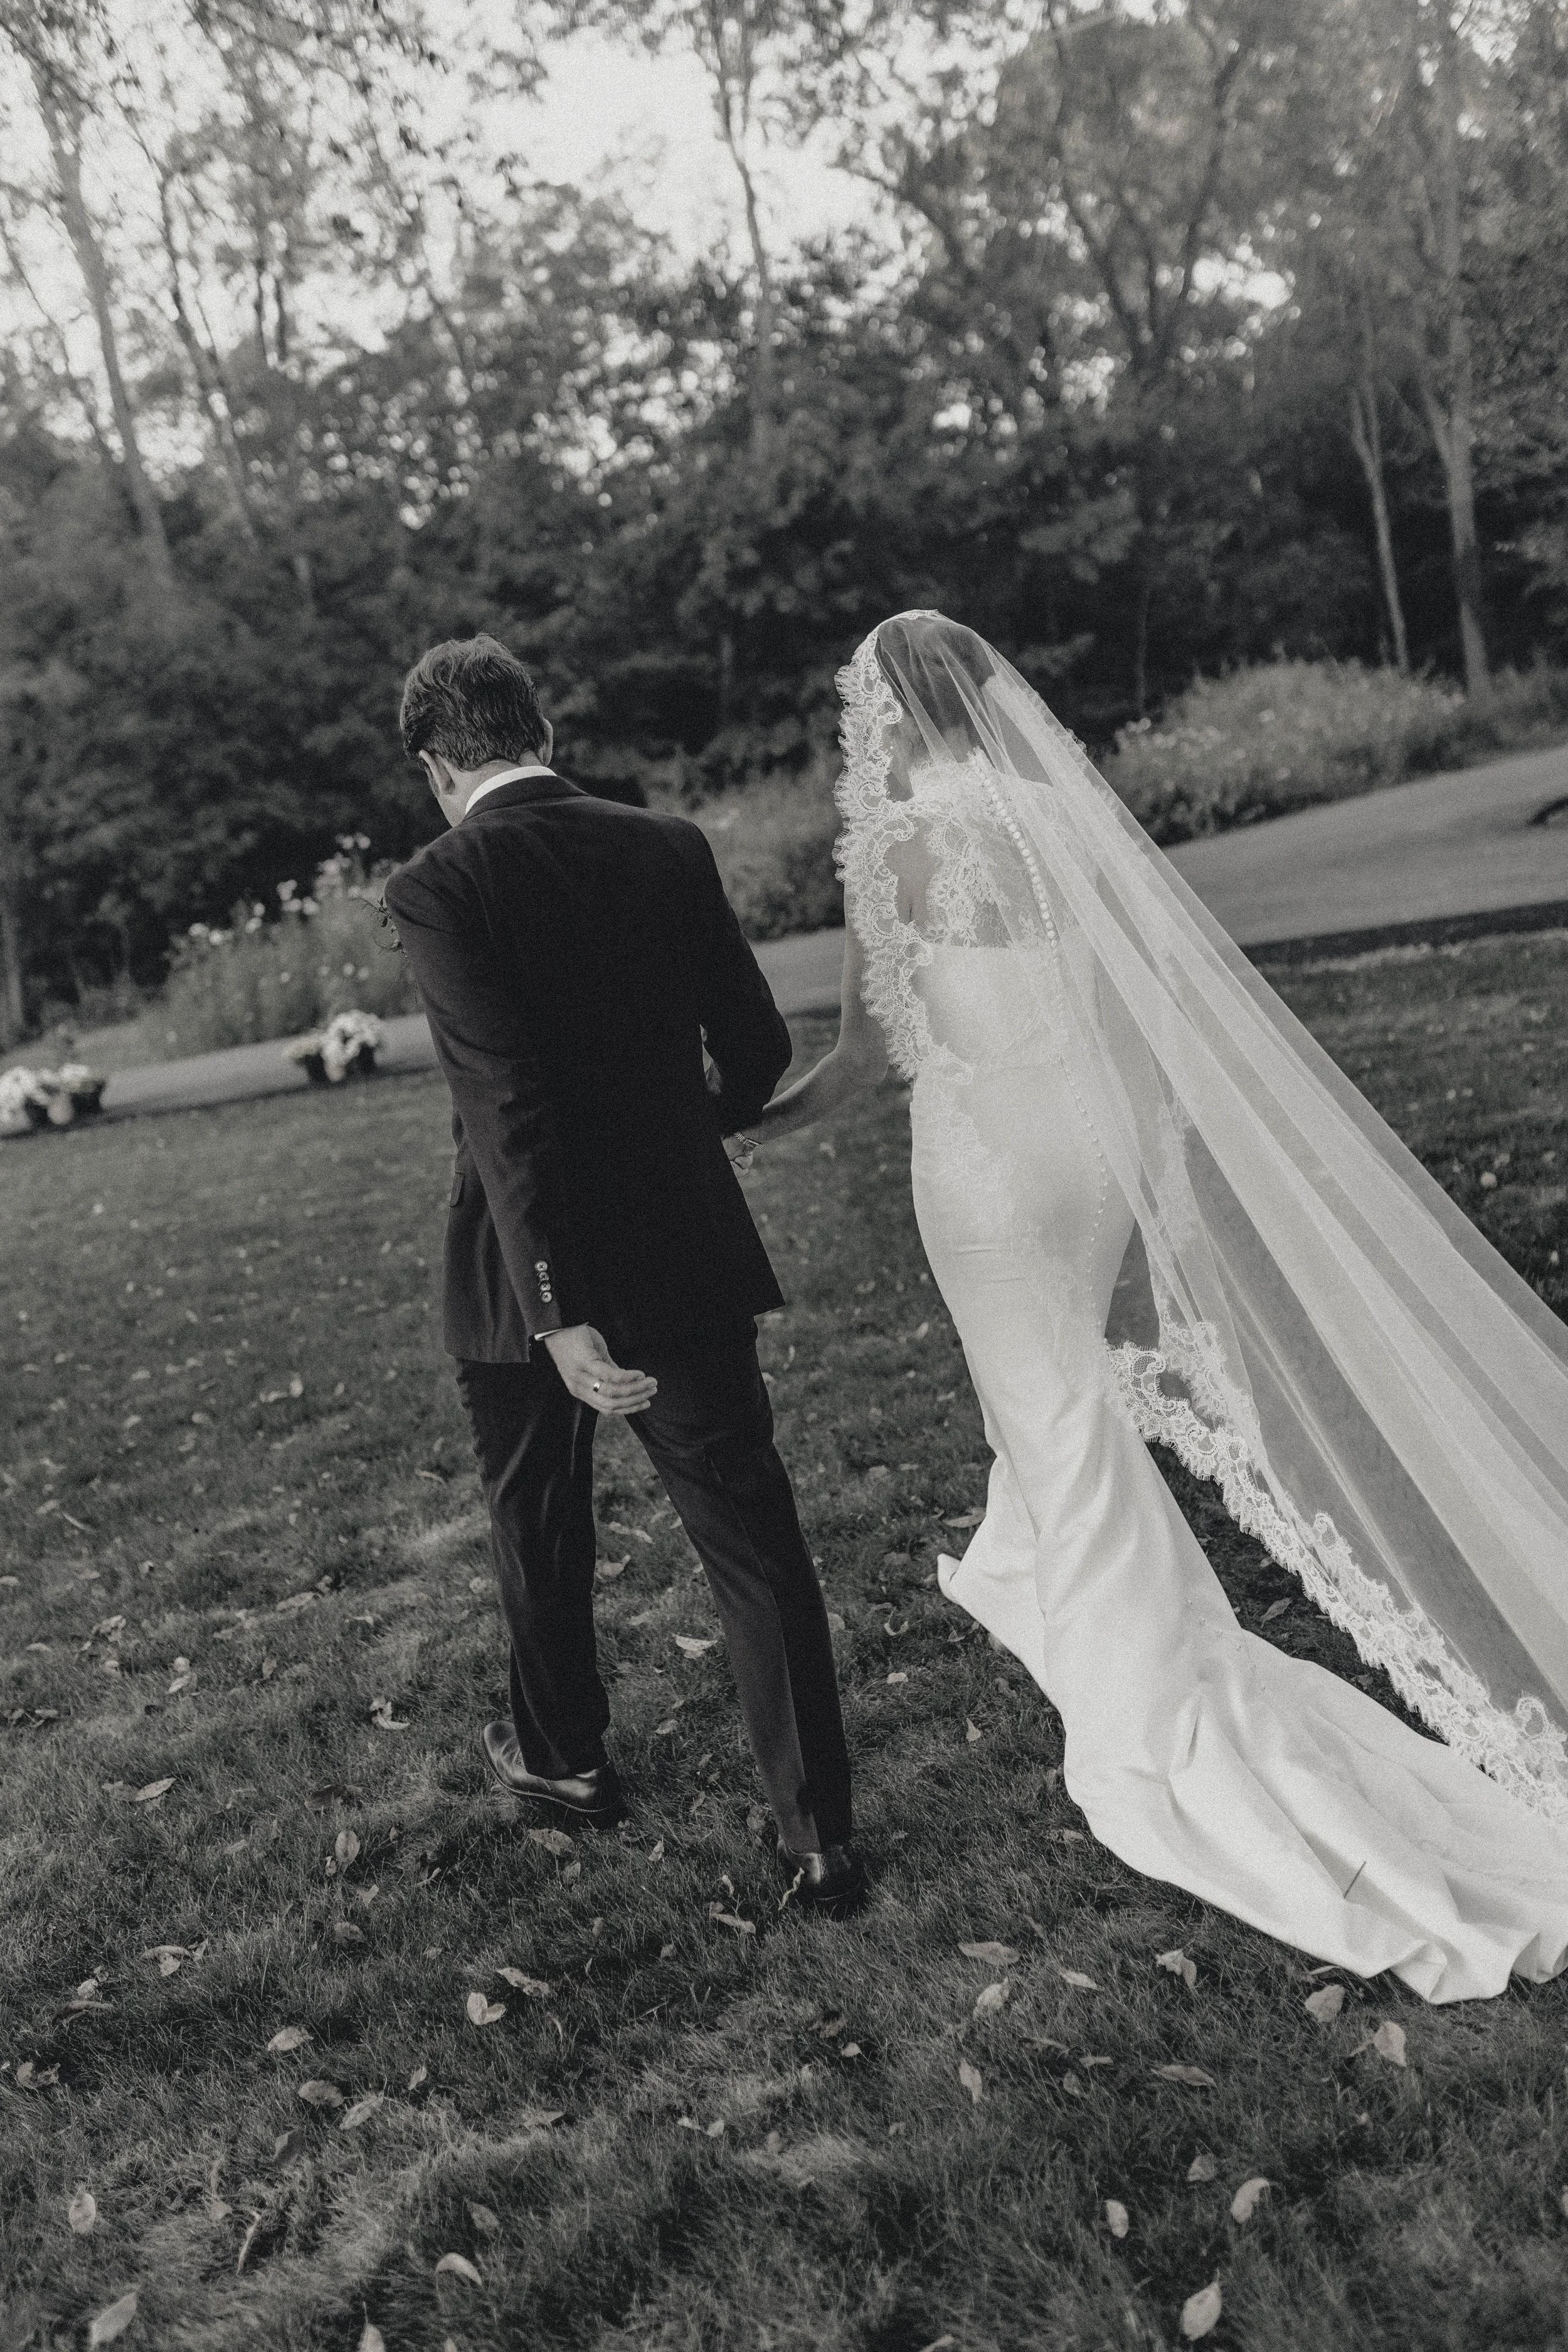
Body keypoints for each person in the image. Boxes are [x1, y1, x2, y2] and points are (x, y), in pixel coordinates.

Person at [749, 608, 1568, 2000]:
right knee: (1056, 1385)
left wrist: (747, 1125)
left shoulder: (891, 845)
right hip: (1089, 1154)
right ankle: (1031, 1564)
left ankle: (1144, 1698)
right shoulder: (1056, 820)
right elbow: (1135, 1013)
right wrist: (1141, 1162)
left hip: (987, 1172)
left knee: (1054, 1404)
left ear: (883, 717)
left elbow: (867, 1054)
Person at [384, 633, 863, 1915]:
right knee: (750, 1534)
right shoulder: (668, 846)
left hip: (512, 1270)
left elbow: (504, 1098)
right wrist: (672, 1136)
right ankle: (817, 1839)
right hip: (678, 1245)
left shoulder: (440, 881)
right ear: (537, 725)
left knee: (536, 1518)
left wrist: (557, 1308)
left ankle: (567, 1767)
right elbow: (754, 1048)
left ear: (438, 763)